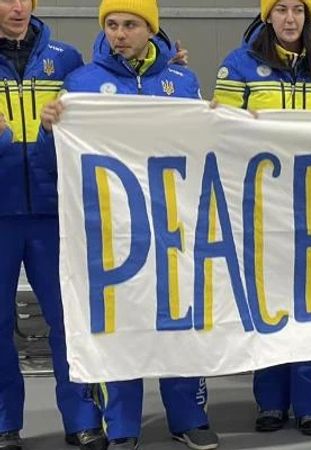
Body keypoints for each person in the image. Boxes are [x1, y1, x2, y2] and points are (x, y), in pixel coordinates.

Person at [40, 1, 216, 449]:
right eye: (112, 25)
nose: (120, 33)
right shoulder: (81, 83)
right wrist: (50, 127)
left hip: (174, 223)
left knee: (180, 318)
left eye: (131, 25)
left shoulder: (181, 80)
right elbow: (61, 157)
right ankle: (121, 425)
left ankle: (188, 418)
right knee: (119, 324)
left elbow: (201, 145)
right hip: (112, 227)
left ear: (150, 29)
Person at [212, 0, 311, 434]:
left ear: (308, 16)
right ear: (267, 16)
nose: (290, 18)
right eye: (281, 10)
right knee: (270, 304)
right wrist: (239, 121)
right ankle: (270, 403)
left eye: (298, 9)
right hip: (261, 203)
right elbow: (220, 125)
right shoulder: (239, 64)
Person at [0, 0, 107, 449]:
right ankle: (4, 423)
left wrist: (162, 48)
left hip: (52, 211)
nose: (17, 6)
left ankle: (82, 417)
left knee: (70, 321)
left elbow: (111, 80)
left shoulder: (65, 59)